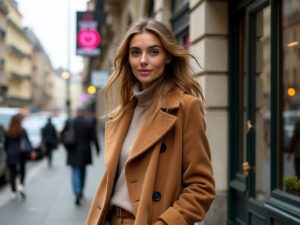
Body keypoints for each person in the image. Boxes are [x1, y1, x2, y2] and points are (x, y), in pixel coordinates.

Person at [85, 18, 215, 225]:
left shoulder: (185, 108)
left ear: (168, 57)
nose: (143, 60)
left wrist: (166, 223)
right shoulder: (121, 114)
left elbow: (202, 186)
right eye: (136, 52)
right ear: (128, 58)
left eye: (153, 52)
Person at [61, 108, 100, 206]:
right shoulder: (88, 122)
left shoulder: (70, 122)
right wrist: (97, 148)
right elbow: (93, 137)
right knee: (82, 171)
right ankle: (81, 191)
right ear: (83, 113)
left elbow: (62, 135)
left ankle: (77, 192)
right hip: (85, 151)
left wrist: (66, 146)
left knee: (75, 171)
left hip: (73, 151)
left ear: (76, 113)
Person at [4, 114, 35, 200]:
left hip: (11, 154)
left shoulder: (7, 132)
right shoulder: (22, 131)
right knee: (22, 171)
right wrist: (31, 151)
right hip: (21, 154)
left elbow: (6, 145)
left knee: (12, 174)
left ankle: (13, 192)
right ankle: (21, 185)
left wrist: (9, 152)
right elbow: (27, 142)